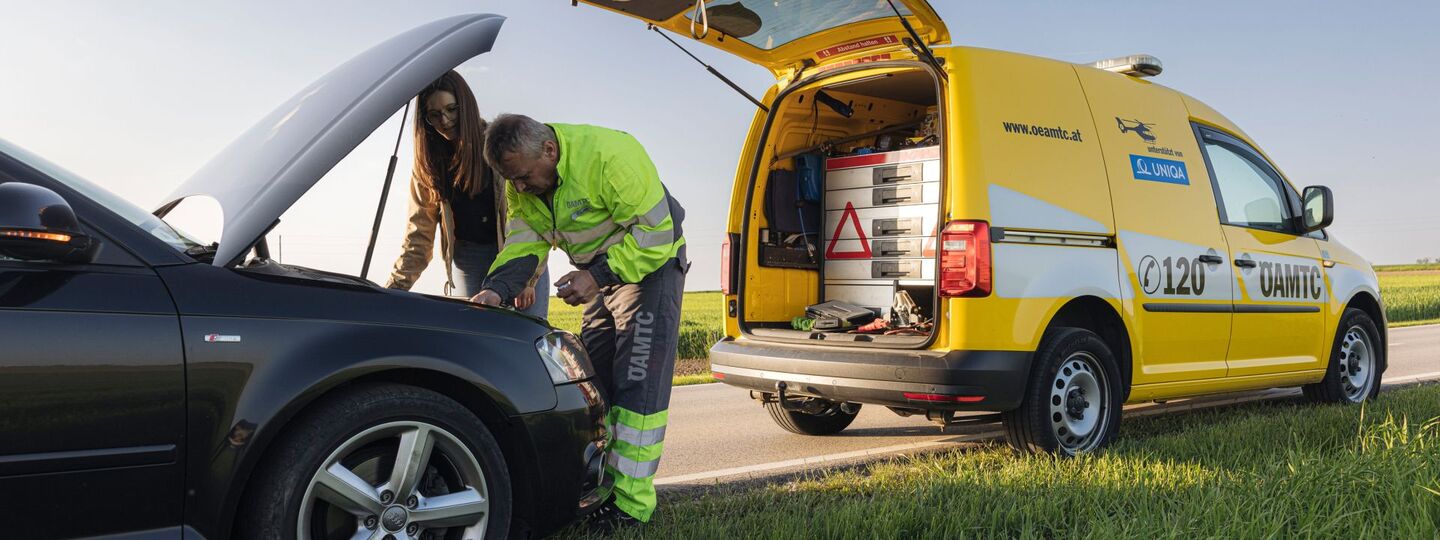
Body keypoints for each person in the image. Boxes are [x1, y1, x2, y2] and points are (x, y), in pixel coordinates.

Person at [471, 114, 686, 530]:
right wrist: (496, 288)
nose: (518, 188)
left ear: (549, 151)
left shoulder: (611, 156)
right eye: (510, 180)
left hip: (650, 268)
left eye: (523, 177)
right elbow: (525, 240)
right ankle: (598, 488)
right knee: (593, 385)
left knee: (636, 385)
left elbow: (656, 235)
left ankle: (631, 505)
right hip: (599, 275)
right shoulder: (524, 179)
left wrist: (598, 277)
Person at [385, 71, 548, 316]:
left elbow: (533, 217)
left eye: (452, 109)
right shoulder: (427, 167)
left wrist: (530, 279)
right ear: (424, 119)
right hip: (468, 261)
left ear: (466, 105)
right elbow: (418, 236)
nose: (445, 120)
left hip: (517, 253)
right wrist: (393, 290)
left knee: (525, 337)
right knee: (480, 337)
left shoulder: (499, 144)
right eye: (434, 115)